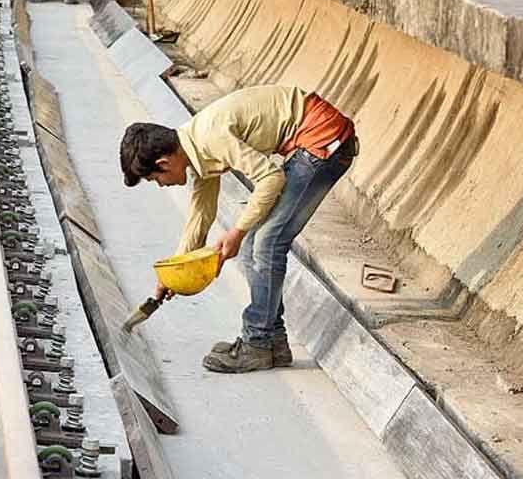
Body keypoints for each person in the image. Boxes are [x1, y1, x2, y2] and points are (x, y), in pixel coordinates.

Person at [118, 85, 358, 373]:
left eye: (156, 179)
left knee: (265, 243)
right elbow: (200, 216)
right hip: (315, 141)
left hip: (325, 141)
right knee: (255, 246)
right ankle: (273, 342)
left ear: (164, 162)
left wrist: (237, 232)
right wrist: (173, 274)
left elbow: (271, 178)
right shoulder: (193, 146)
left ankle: (256, 344)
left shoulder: (211, 138)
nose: (161, 184)